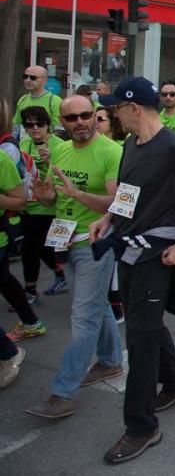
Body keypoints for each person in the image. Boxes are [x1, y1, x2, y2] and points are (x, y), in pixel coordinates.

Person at [92, 77, 175, 465]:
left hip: (158, 254)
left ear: (134, 108)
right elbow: (127, 195)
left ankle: (140, 426)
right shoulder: (130, 145)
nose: (112, 113)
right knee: (144, 323)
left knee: (139, 338)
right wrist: (107, 219)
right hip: (128, 249)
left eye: (115, 107)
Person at [24, 95, 125, 420]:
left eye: (86, 115)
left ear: (96, 117)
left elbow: (116, 204)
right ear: (63, 123)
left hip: (96, 242)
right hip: (65, 238)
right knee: (94, 306)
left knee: (83, 316)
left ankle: (62, 393)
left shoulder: (112, 151)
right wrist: (48, 195)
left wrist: (77, 194)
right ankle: (110, 361)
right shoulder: (61, 149)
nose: (80, 122)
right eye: (72, 118)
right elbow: (57, 196)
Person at [0, 98, 43, 345]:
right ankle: (31, 322)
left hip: (4, 233)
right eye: (29, 125)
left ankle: (7, 353)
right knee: (4, 278)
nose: (33, 129)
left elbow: (19, 201)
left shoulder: (4, 155)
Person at [16, 106, 68, 300]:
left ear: (48, 125)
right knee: (34, 248)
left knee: (34, 247)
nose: (35, 128)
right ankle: (55, 277)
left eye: (40, 124)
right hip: (27, 204)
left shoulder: (59, 145)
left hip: (48, 206)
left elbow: (62, 177)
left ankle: (31, 290)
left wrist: (48, 162)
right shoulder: (23, 143)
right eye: (30, 125)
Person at [14, 65, 62, 129]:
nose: (28, 80)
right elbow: (16, 126)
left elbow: (59, 129)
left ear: (45, 80)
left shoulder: (55, 101)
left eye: (33, 77)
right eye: (25, 77)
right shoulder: (23, 99)